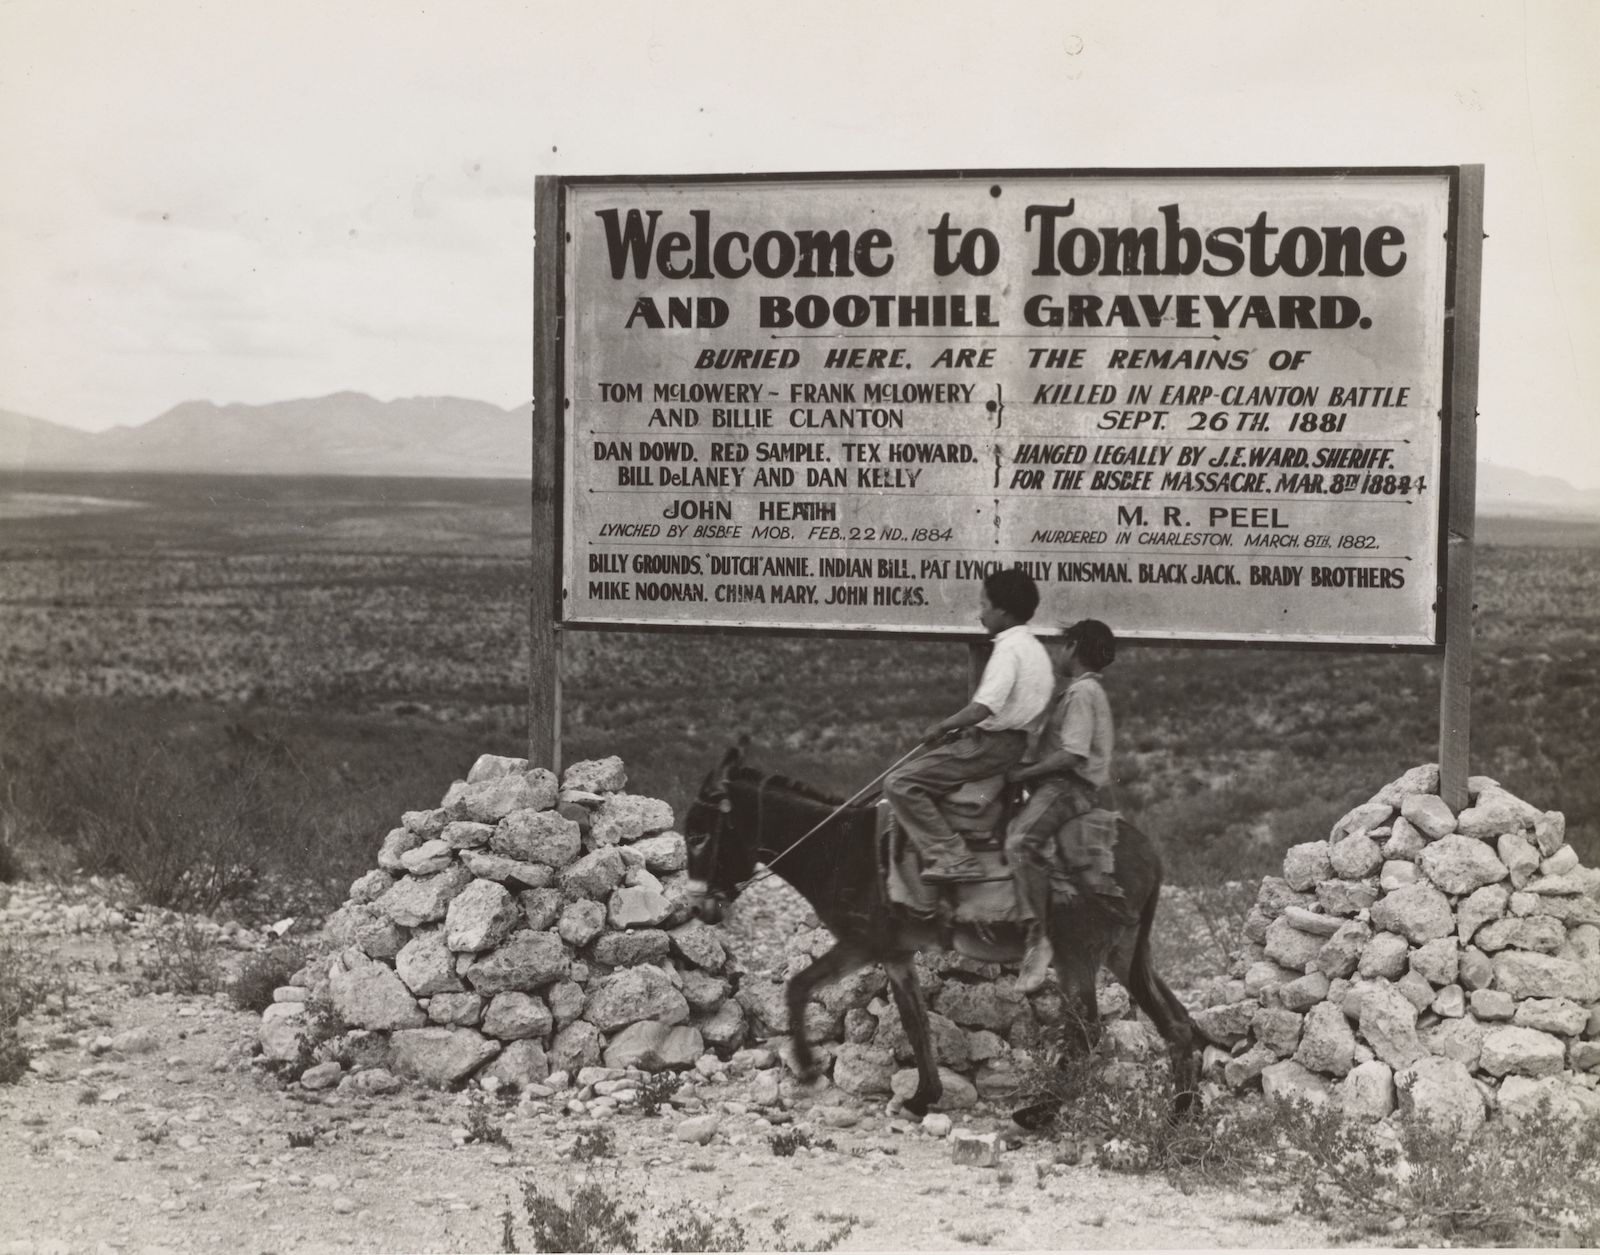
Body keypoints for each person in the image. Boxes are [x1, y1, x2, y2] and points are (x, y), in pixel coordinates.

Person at [885, 568, 1054, 884]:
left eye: (984, 605)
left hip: (992, 746)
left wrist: (941, 727)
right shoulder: (1034, 648)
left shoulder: (1008, 649)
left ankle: (953, 857)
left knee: (899, 782)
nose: (981, 615)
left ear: (1002, 611)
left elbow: (983, 707)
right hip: (1012, 742)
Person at [1005, 618, 1126, 993]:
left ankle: (1040, 936)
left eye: (1064, 645)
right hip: (1066, 785)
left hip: (1066, 788)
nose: (1059, 652)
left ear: (1073, 648)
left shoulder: (1080, 693)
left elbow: (1072, 754)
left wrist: (1024, 774)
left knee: (1018, 841)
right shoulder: (1086, 691)